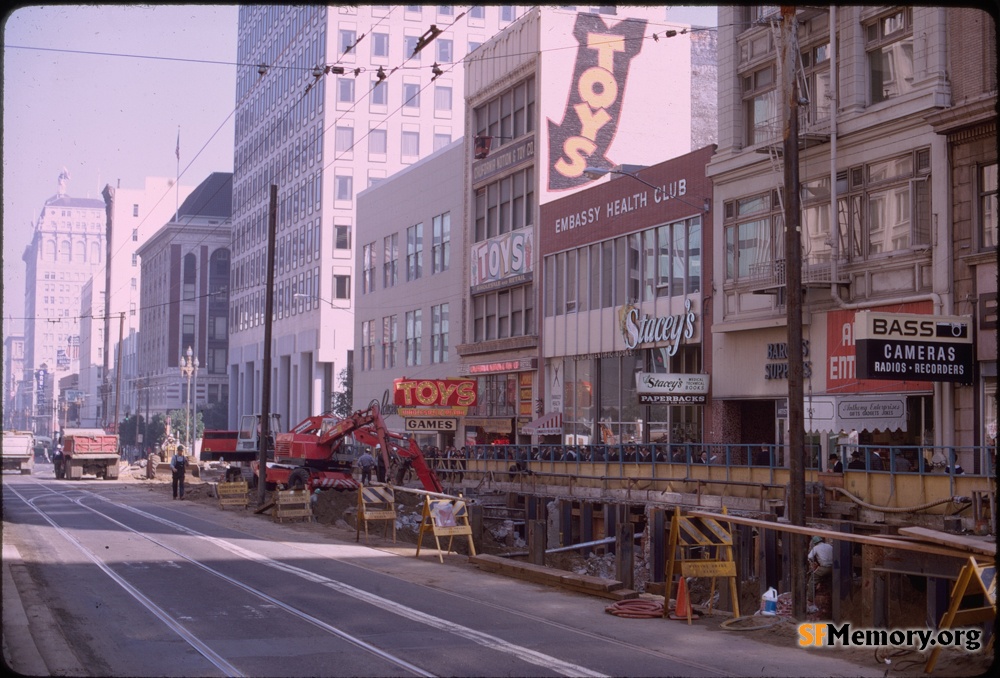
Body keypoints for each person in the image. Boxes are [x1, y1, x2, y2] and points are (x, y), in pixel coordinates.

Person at [806, 535, 833, 612]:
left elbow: (809, 557)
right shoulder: (829, 546)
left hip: (824, 568)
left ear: (815, 543)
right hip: (834, 568)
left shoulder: (816, 548)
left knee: (812, 580)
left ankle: (810, 602)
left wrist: (814, 563)